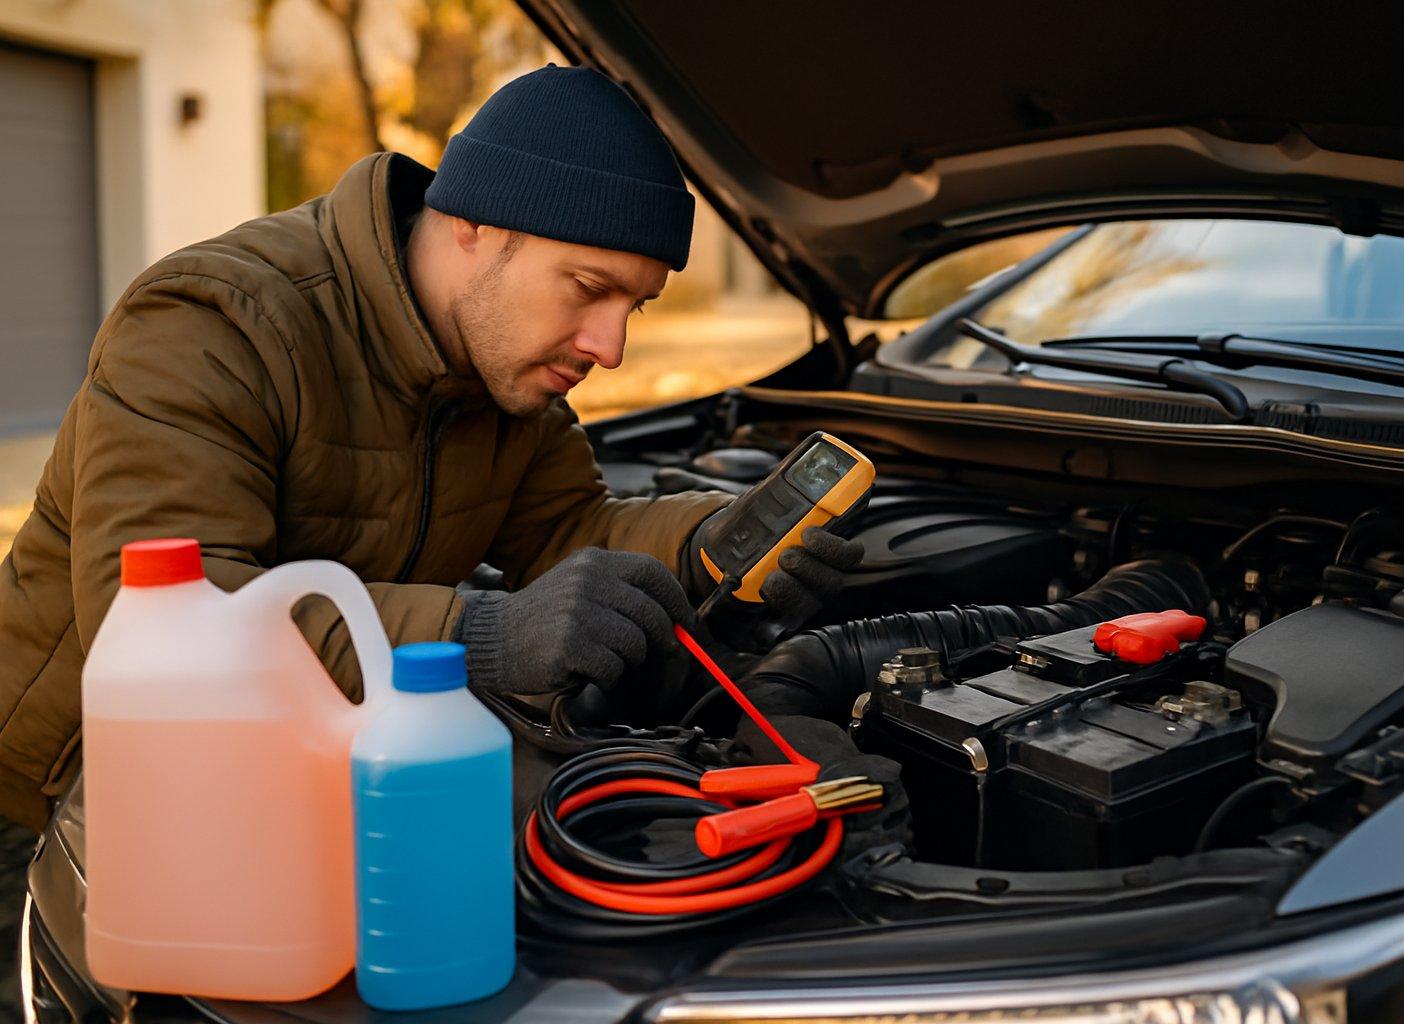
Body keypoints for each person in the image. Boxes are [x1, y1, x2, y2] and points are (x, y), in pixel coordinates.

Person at [0, 65, 860, 831]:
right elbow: (163, 618)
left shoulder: (503, 371)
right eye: (589, 290)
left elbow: (566, 533)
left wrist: (711, 546)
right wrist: (473, 636)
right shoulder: (216, 322)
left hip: (280, 791)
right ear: (473, 226)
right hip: (61, 800)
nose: (610, 348)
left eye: (631, 307)